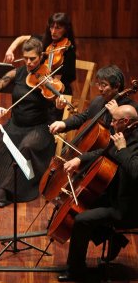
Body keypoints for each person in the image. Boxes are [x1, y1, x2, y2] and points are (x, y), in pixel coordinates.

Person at [57, 104, 138, 282]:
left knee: (82, 220)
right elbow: (104, 153)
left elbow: (135, 172)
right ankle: (115, 238)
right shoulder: (121, 134)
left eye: (115, 121)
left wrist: (123, 150)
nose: (111, 124)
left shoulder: (129, 142)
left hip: (127, 206)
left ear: (126, 121)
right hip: (111, 194)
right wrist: (79, 159)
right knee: (77, 204)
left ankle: (76, 271)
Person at [0, 37, 60, 207]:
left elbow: (55, 104)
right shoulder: (16, 73)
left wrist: (58, 101)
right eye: (25, 58)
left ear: (41, 56)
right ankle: (1, 186)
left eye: (32, 58)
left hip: (38, 128)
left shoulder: (47, 78)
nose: (28, 62)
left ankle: (5, 189)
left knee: (26, 148)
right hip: (15, 126)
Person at [49, 65, 138, 137]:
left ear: (116, 86)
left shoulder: (131, 109)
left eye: (104, 85)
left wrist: (115, 113)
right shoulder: (98, 100)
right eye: (98, 84)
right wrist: (64, 123)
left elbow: (128, 139)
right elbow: (84, 117)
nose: (99, 88)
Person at [4, 12, 77, 95]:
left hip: (58, 89)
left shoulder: (68, 50)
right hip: (40, 81)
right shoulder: (44, 40)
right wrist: (10, 50)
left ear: (66, 29)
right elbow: (22, 38)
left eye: (58, 28)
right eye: (51, 27)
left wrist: (50, 80)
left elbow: (64, 78)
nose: (53, 31)